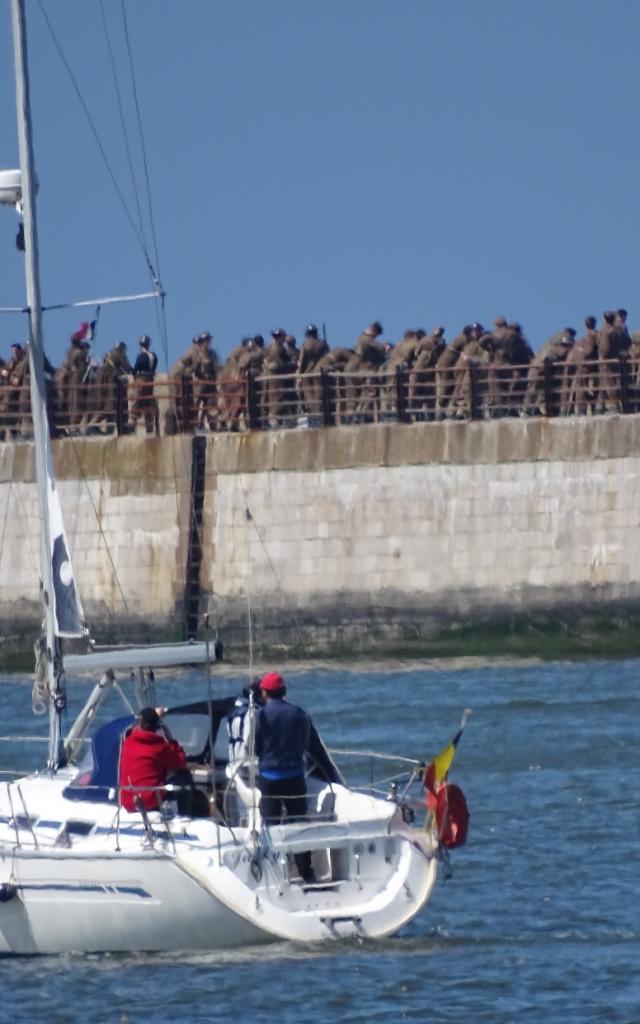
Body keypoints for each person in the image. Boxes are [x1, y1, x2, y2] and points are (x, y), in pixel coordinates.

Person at [254, 672, 317, 881]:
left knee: (271, 823)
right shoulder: (298, 714)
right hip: (295, 776)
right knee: (298, 823)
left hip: (270, 776)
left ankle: (275, 872)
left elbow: (257, 746)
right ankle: (305, 870)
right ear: (284, 691)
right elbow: (306, 742)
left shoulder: (261, 715)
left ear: (264, 692)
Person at [118, 706, 189, 813]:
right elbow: (181, 761)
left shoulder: (128, 742)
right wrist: (171, 739)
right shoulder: (160, 747)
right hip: (148, 801)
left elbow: (136, 729)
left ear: (140, 723)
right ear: (157, 727)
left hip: (127, 801)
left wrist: (153, 716)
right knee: (182, 775)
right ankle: (183, 814)